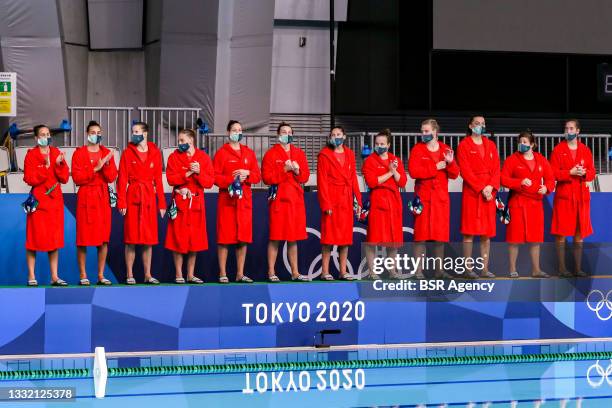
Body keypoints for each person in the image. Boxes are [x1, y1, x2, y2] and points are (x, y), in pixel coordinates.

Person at [407, 119, 459, 279]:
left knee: (439, 237)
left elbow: (455, 174)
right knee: (420, 237)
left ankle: (439, 271)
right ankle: (418, 271)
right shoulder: (417, 149)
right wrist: (434, 168)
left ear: (435, 132)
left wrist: (450, 164)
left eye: (427, 131)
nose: (424, 134)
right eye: (422, 131)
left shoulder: (446, 149)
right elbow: (413, 172)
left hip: (440, 200)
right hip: (423, 199)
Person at [117, 122, 166, 284]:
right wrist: (122, 201)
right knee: (131, 238)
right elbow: (122, 179)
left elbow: (158, 179)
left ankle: (147, 274)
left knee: (148, 239)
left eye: (136, 131)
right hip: (133, 196)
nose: (134, 134)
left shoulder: (155, 153)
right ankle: (129, 274)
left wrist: (162, 204)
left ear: (145, 134)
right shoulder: (126, 153)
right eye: (133, 131)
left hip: (149, 198)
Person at [500, 131, 555, 278]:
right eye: (520, 141)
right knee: (514, 239)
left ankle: (536, 270)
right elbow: (503, 179)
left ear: (532, 144)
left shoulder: (542, 160)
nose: (521, 144)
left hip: (536, 204)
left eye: (525, 142)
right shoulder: (512, 160)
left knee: (535, 239)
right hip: (517, 202)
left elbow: (550, 179)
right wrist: (519, 182)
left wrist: (547, 188)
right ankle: (512, 269)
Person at [213, 120, 261, 283]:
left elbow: (257, 176)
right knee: (225, 238)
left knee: (243, 238)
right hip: (227, 200)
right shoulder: (221, 153)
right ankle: (222, 273)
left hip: (244, 201)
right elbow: (215, 178)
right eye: (234, 130)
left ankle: (240, 273)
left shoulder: (249, 153)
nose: (237, 132)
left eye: (240, 130)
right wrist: (231, 180)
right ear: (228, 133)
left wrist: (247, 173)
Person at [261, 122, 310, 282]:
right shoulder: (271, 154)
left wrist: (296, 171)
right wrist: (284, 170)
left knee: (293, 238)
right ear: (278, 134)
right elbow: (267, 178)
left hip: (295, 201)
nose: (286, 134)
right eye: (283, 132)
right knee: (275, 237)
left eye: (289, 132)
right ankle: (271, 272)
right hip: (279, 201)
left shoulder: (299, 153)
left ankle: (295, 272)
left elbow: (305, 178)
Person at [165, 129, 214, 284]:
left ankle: (190, 274)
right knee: (177, 239)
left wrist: (199, 172)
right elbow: (170, 179)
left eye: (182, 140)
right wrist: (185, 175)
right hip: (180, 203)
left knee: (195, 240)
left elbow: (209, 182)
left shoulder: (203, 158)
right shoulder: (173, 157)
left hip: (196, 204)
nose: (179, 143)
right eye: (179, 140)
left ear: (191, 142)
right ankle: (179, 274)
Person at [71, 121, 118, 285]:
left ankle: (100, 274)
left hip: (102, 197)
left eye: (98, 132)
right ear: (87, 133)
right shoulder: (78, 153)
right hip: (85, 196)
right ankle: (83, 275)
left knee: (103, 238)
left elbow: (112, 177)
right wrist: (95, 168)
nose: (95, 135)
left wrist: (105, 165)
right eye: (92, 132)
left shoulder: (107, 153)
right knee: (83, 238)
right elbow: (77, 178)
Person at [24, 125, 70, 286]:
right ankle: (31, 276)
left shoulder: (57, 152)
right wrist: (45, 166)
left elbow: (65, 179)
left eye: (48, 134)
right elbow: (29, 179)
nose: (46, 137)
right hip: (38, 202)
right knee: (33, 239)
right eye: (42, 135)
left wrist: (59, 164)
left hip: (55, 202)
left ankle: (55, 277)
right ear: (36, 138)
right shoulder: (31, 155)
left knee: (54, 240)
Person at [550, 119, 595, 277]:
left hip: (581, 197)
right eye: (566, 128)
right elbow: (553, 173)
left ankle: (577, 268)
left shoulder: (585, 150)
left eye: (571, 128)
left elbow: (592, 172)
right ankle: (562, 268)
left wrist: (584, 173)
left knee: (579, 233)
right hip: (565, 196)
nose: (568, 131)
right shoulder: (558, 150)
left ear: (577, 131)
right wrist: (569, 173)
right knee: (561, 233)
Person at [457, 115, 500, 279]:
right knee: (469, 232)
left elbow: (496, 169)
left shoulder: (491, 145)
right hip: (472, 193)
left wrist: (490, 187)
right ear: (470, 126)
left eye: (482, 124)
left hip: (488, 194)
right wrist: (481, 188)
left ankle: (484, 269)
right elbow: (465, 171)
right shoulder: (464, 145)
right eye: (476, 123)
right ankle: (468, 269)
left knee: (486, 234)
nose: (480, 126)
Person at [317, 126, 362, 280]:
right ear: (330, 137)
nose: (336, 137)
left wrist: (358, 200)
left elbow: (353, 179)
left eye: (339, 134)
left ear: (344, 136)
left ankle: (343, 271)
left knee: (345, 238)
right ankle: (325, 272)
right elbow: (321, 181)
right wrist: (326, 204)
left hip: (346, 199)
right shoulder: (324, 155)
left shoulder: (350, 154)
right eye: (333, 135)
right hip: (331, 198)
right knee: (328, 238)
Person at [363, 129, 407, 280]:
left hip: (393, 202)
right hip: (377, 201)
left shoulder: (395, 159)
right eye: (377, 143)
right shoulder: (370, 161)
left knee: (393, 240)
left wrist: (394, 171)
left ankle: (392, 271)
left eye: (382, 143)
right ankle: (372, 272)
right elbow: (372, 182)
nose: (379, 146)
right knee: (373, 239)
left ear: (388, 145)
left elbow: (402, 182)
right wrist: (390, 172)